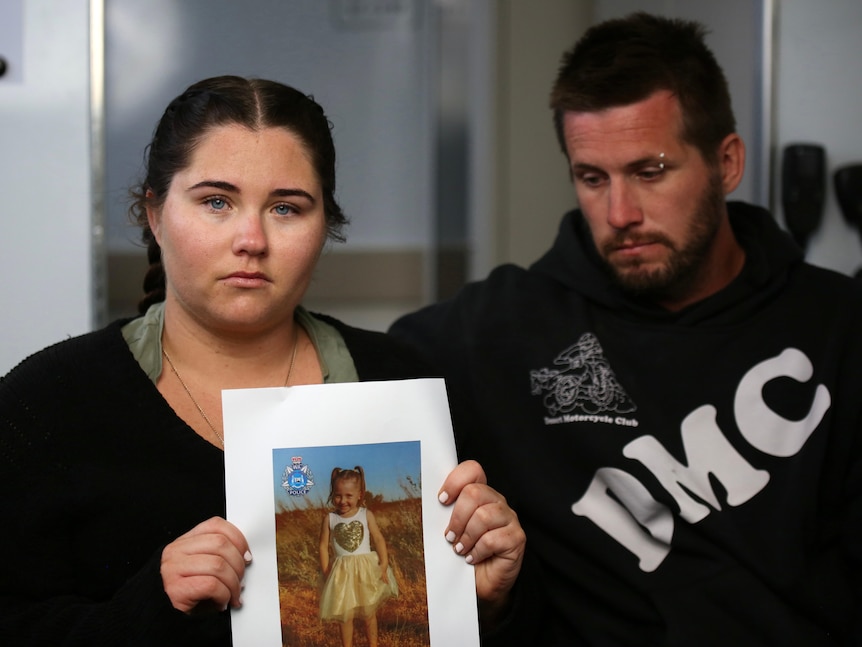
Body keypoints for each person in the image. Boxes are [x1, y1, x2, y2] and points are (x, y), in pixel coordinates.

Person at [390, 12, 862, 646]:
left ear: (726, 162)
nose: (620, 214)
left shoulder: (839, 326)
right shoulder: (502, 329)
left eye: (650, 171)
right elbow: (337, 377)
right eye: (592, 178)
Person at [0, 75, 524, 646]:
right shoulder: (47, 404)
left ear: (326, 225)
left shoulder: (408, 388)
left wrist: (489, 601)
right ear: (154, 213)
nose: (251, 239)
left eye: (285, 208)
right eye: (216, 202)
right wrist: (148, 605)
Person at [319, 466, 395, 647]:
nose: (342, 500)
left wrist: (383, 564)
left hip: (365, 570)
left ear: (360, 494)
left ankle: (373, 644)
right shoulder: (330, 519)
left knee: (369, 613)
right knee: (345, 615)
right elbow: (322, 545)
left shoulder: (365, 515)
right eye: (338, 495)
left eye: (348, 496)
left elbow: (378, 539)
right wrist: (326, 570)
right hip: (342, 573)